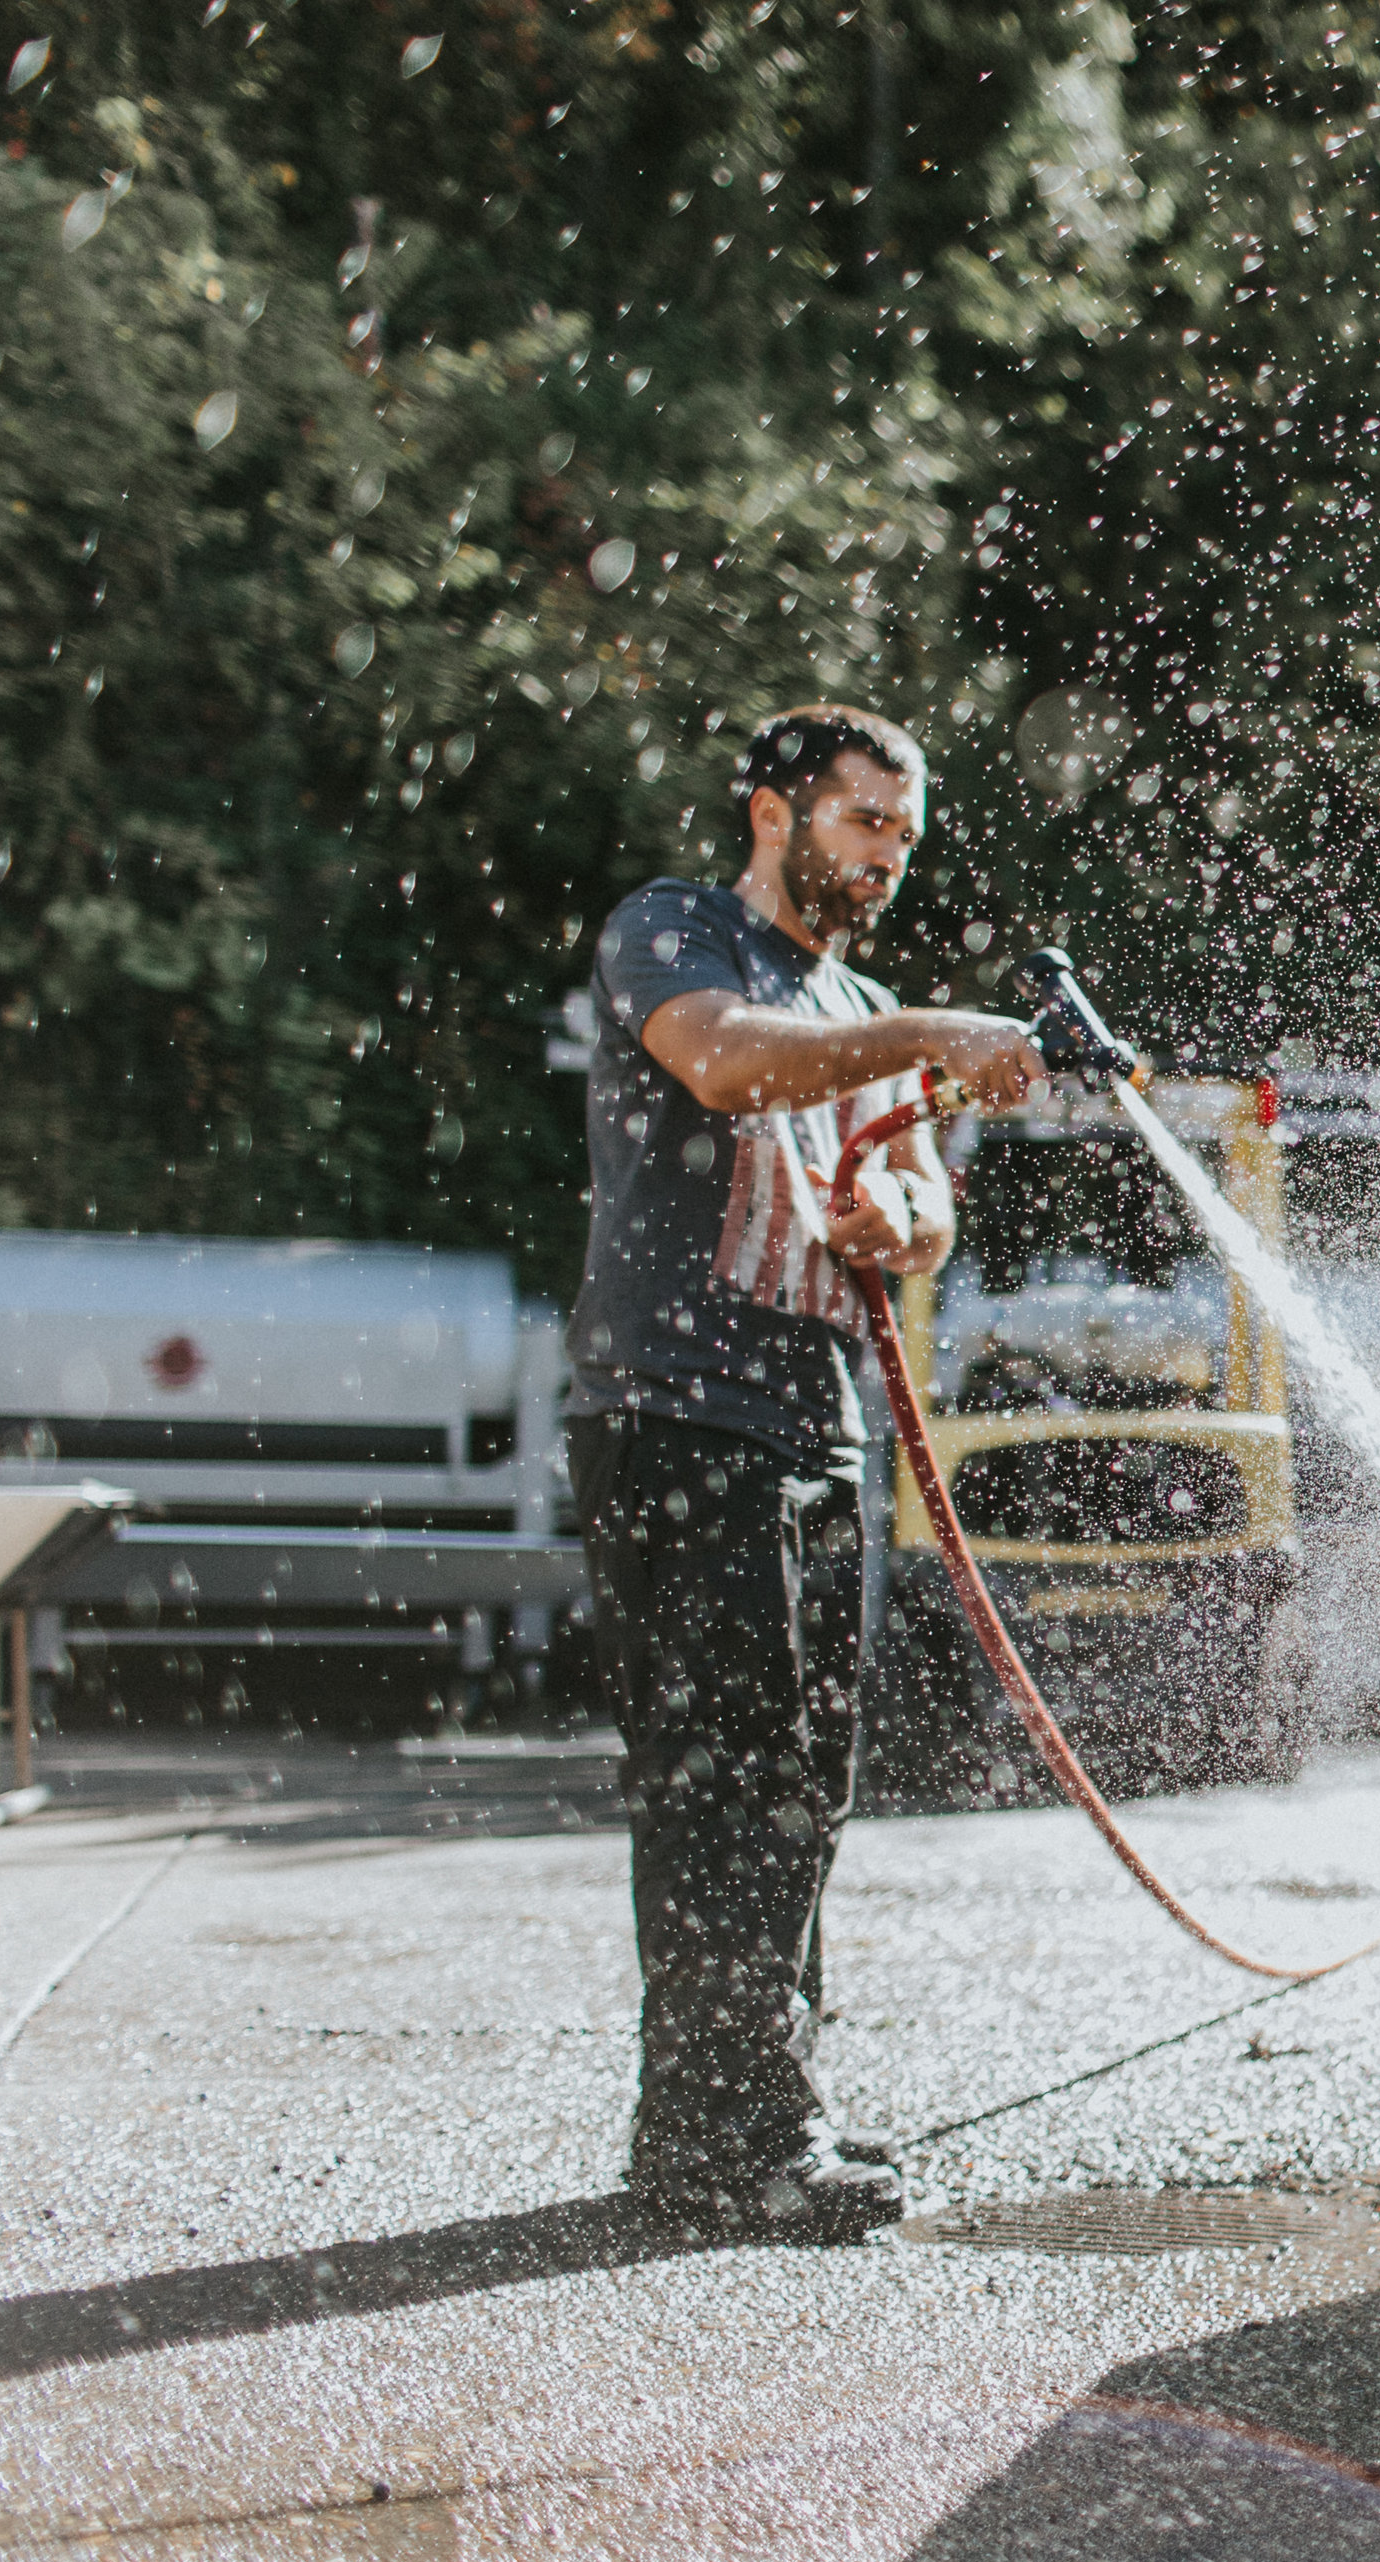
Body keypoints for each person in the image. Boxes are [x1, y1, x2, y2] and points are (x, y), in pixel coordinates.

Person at [566, 705, 1047, 2239]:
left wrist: (911, 1221)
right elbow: (717, 1064)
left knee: (802, 1790)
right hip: (678, 1410)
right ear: (773, 812)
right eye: (862, 826)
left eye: (904, 838)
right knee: (719, 1779)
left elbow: (919, 1192)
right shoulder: (677, 931)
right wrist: (923, 1038)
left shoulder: (863, 995)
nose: (888, 862)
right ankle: (719, 2150)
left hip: (819, 1420)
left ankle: (764, 2115)